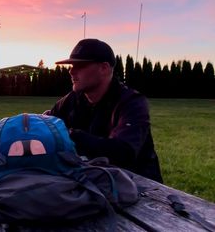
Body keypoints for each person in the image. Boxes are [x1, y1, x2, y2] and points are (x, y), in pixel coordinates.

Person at [47, 38, 163, 183]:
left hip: (137, 186)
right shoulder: (73, 99)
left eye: (80, 65)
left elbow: (123, 152)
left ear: (104, 68)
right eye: (71, 65)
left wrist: (72, 136)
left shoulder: (132, 102)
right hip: (92, 179)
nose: (71, 71)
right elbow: (46, 123)